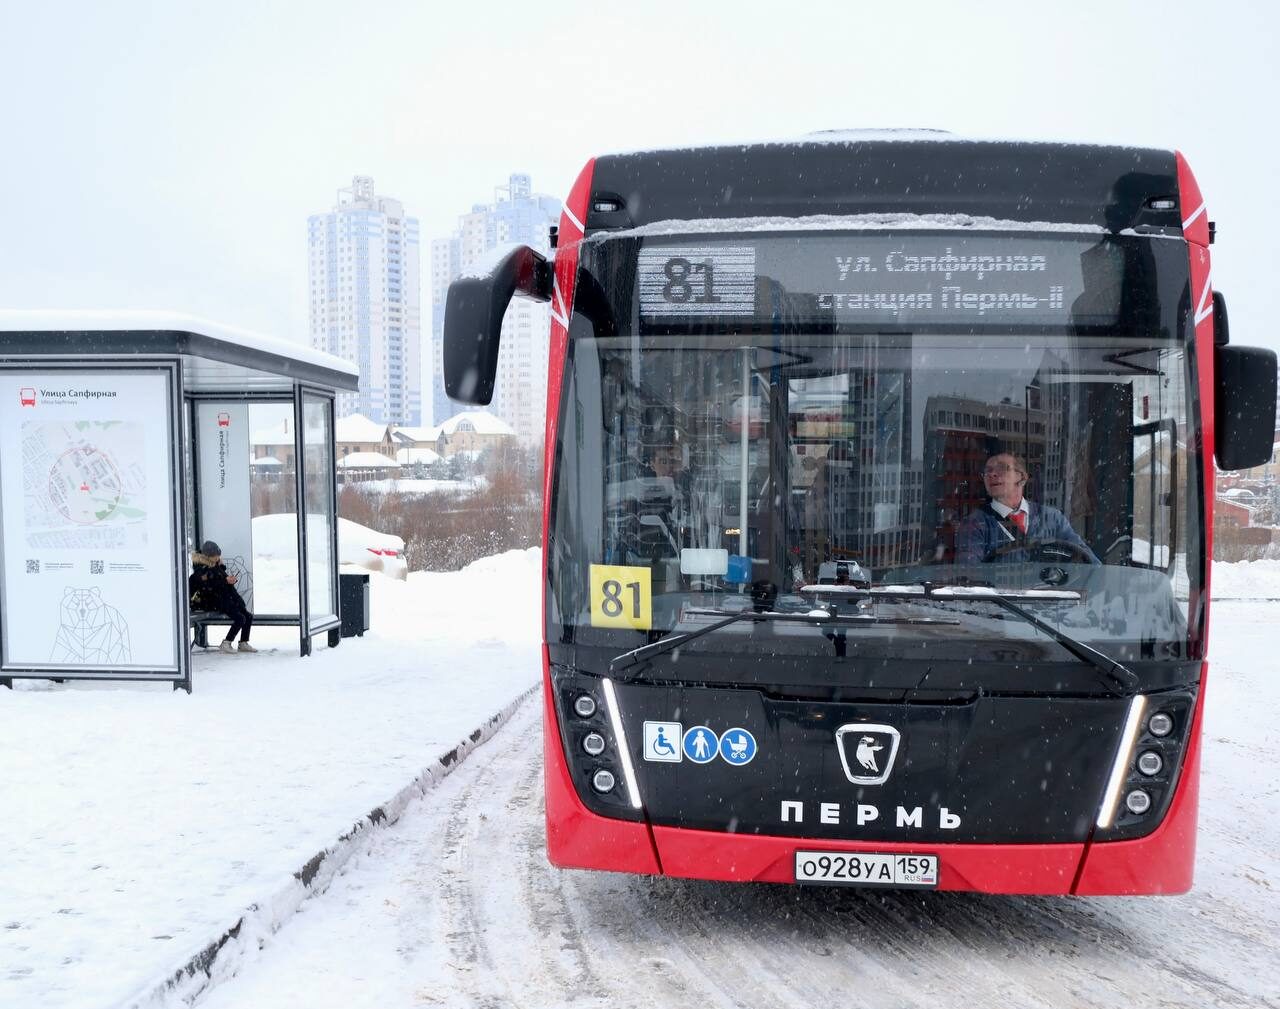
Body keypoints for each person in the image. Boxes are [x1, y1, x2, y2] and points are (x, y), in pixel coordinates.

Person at [955, 452, 1099, 565]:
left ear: (1022, 477)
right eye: (987, 471)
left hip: (1050, 600)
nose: (992, 474)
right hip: (999, 602)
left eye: (1001, 468)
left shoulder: (1053, 518)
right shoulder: (975, 524)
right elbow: (969, 575)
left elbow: (1089, 563)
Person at [189, 540, 257, 652]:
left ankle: (243, 643)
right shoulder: (201, 569)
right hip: (214, 601)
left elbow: (219, 580)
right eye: (215, 556)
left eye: (218, 556)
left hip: (224, 598)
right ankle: (226, 643)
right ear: (208, 556)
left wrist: (228, 578)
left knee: (248, 616)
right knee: (240, 618)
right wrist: (225, 580)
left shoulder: (215, 565)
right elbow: (209, 586)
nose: (217, 558)